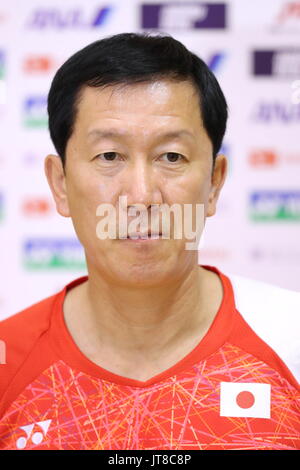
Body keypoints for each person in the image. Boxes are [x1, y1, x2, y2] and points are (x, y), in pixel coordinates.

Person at [0, 32, 299, 451]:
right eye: (109, 156)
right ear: (60, 183)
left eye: (171, 157)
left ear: (214, 183)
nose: (141, 195)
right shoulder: (7, 361)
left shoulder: (292, 342)